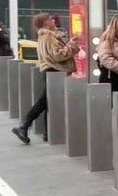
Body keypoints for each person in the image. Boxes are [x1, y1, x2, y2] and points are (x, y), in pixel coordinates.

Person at [11, 13, 79, 144]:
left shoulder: (45, 36)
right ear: (45, 23)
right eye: (50, 19)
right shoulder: (48, 37)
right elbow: (57, 55)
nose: (53, 21)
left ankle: (45, 132)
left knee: (48, 102)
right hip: (55, 71)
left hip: (52, 71)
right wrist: (71, 45)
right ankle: (24, 126)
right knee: (45, 101)